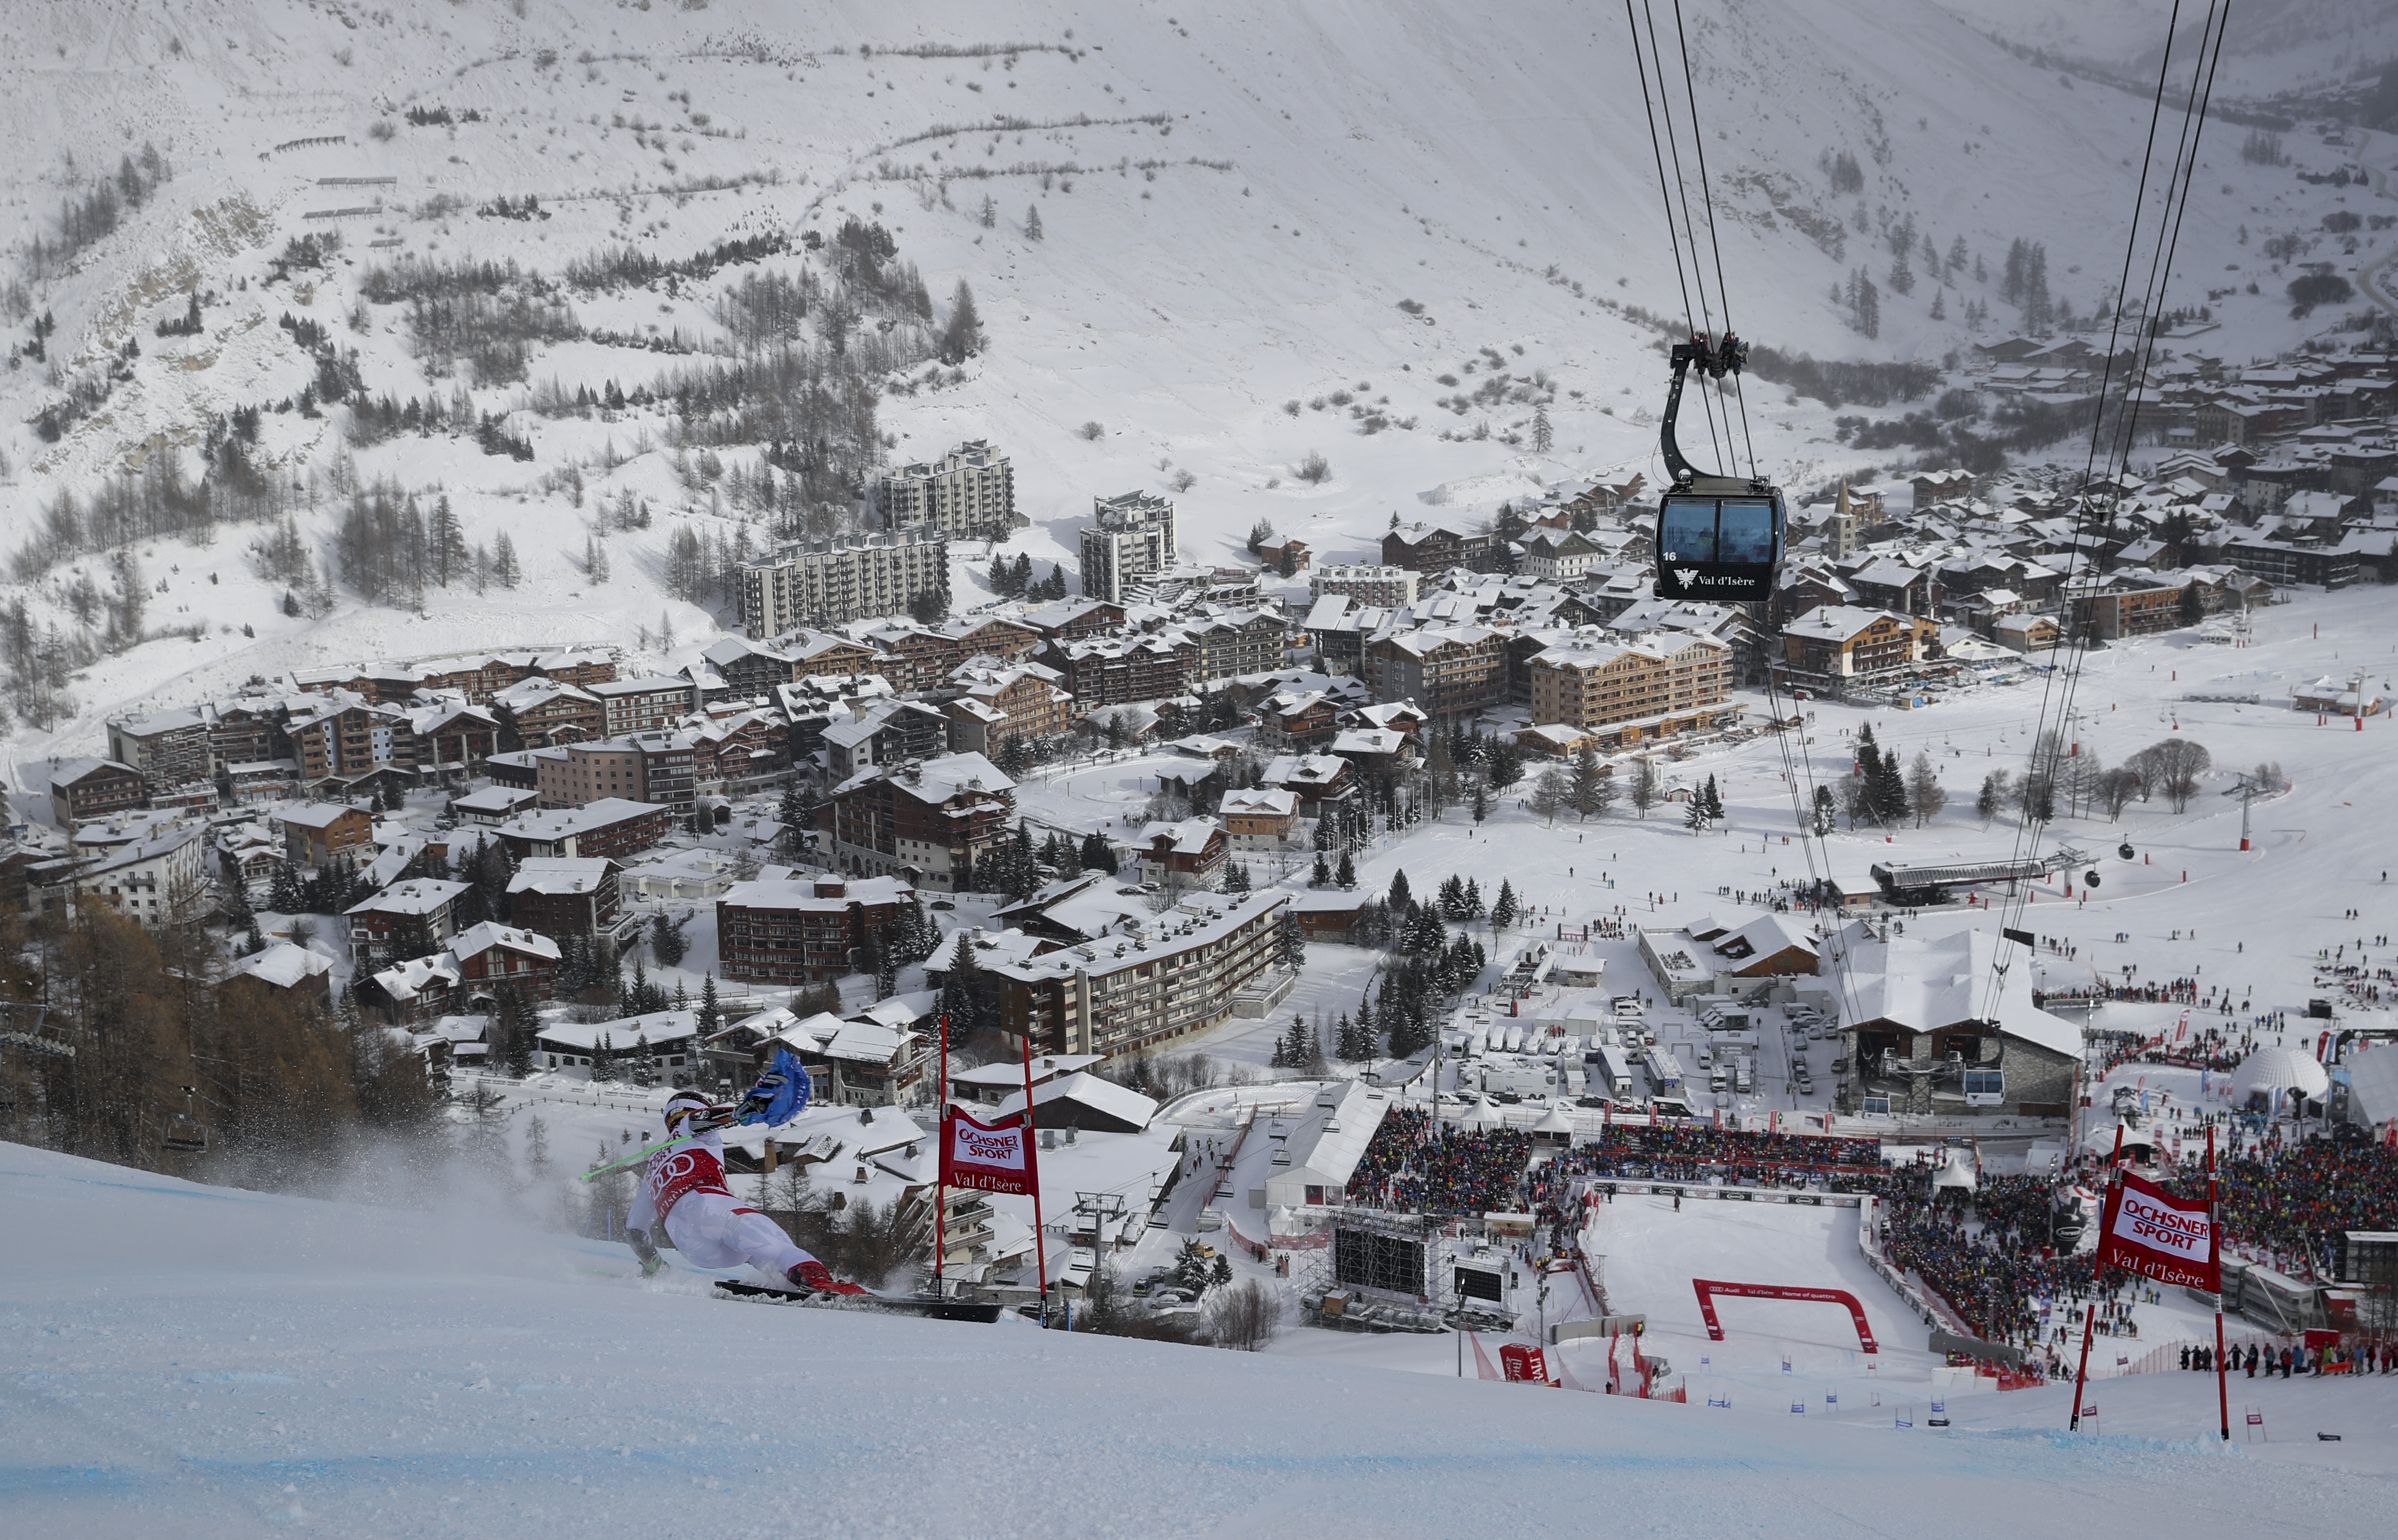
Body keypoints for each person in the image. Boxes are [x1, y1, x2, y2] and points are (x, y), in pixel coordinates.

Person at [625, 1088, 862, 1296]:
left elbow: (635, 1230)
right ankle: (820, 1282)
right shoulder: (691, 1127)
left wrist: (655, 1267)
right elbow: (703, 1120)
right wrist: (745, 1109)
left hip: (690, 1247)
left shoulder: (654, 1166)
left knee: (754, 1249)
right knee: (776, 1244)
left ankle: (789, 1280)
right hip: (706, 1205)